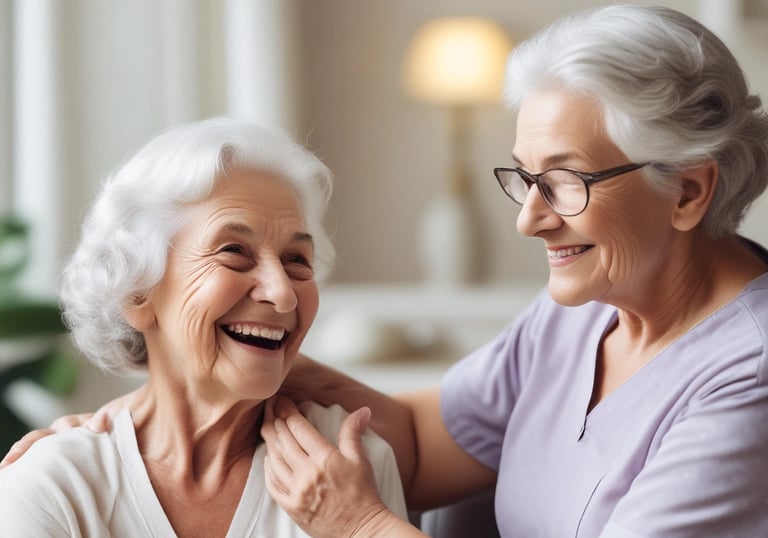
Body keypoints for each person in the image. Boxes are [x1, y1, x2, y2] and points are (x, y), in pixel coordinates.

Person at [4, 3, 768, 536]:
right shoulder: (584, 313)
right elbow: (416, 435)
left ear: (689, 190)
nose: (528, 218)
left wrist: (363, 527)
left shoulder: (749, 375)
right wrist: (153, 413)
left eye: (564, 182)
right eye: (525, 178)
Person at [0, 118, 407, 537]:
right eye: (234, 251)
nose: (283, 293)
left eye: (297, 260)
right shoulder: (51, 486)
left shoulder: (354, 469)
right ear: (137, 292)